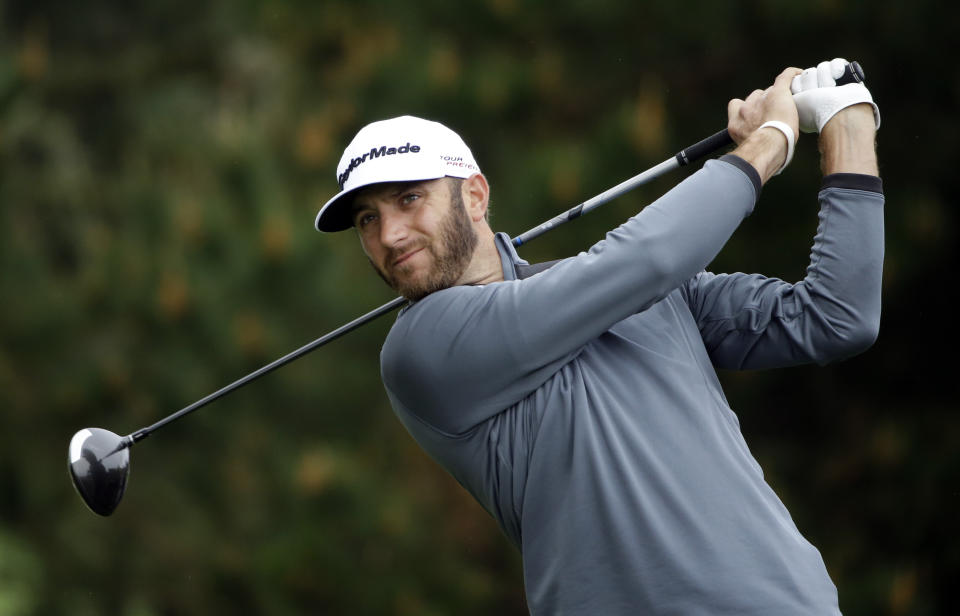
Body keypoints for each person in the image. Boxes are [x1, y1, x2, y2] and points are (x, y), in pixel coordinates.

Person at [314, 60, 883, 615]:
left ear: (475, 196)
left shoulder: (636, 290)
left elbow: (836, 316)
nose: (388, 234)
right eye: (367, 219)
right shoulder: (420, 349)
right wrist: (771, 141)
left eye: (408, 199)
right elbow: (647, 259)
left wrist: (846, 119)